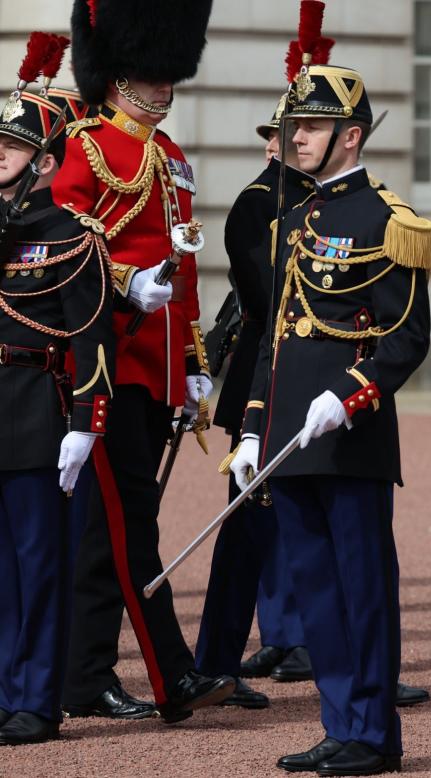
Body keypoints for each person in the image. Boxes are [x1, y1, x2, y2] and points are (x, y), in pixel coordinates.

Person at [229, 46, 431, 774]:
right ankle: (340, 722)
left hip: (350, 436)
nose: (296, 138)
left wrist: (348, 395)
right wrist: (253, 426)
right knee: (316, 594)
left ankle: (374, 734)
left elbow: (407, 338)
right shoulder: (291, 219)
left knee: (360, 588)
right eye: (293, 126)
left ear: (351, 133)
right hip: (291, 436)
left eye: (312, 126)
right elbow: (273, 338)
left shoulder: (390, 218)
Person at [54, 0, 236, 723]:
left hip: (156, 374)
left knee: (109, 534)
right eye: (150, 75)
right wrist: (129, 287)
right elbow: (66, 258)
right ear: (117, 74)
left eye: (168, 76)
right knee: (132, 532)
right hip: (106, 369)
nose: (164, 89)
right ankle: (173, 678)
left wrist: (193, 365)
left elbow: (183, 277)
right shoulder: (86, 148)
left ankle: (85, 676)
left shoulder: (171, 161)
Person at [0, 43, 114, 746]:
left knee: (38, 567)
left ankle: (35, 701)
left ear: (44, 162)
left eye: (11, 146)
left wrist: (85, 424)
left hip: (36, 413)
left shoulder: (70, 236)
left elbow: (92, 338)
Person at [193, 98, 316, 709]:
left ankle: (343, 657)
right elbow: (271, 305)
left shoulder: (333, 200)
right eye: (284, 133)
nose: (286, 143)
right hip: (265, 388)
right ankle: (215, 661)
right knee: (247, 534)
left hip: (323, 390)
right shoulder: (256, 205)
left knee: (329, 530)